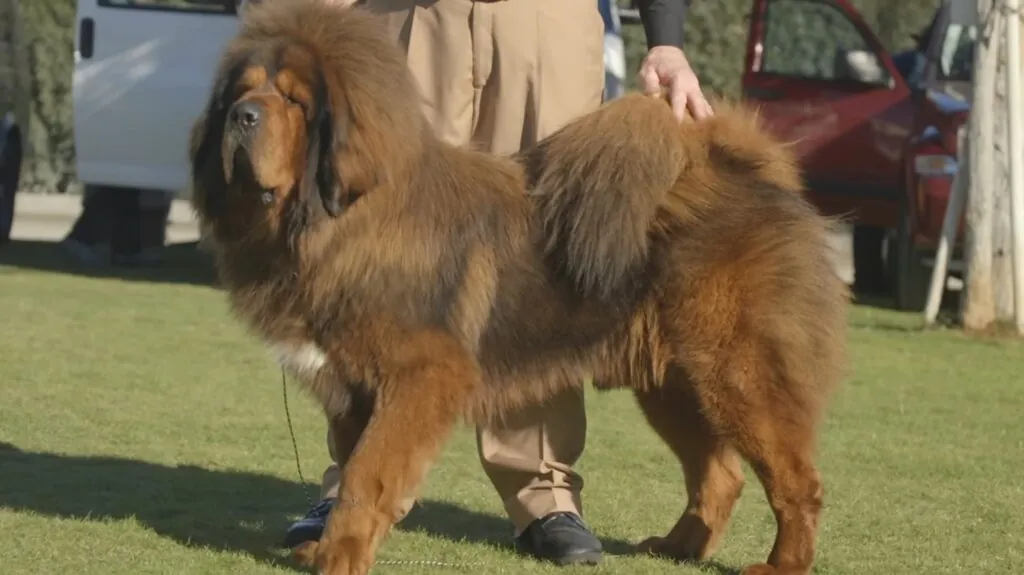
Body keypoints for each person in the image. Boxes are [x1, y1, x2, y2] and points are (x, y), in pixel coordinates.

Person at [278, 0, 711, 566]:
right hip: (401, 21)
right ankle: (354, 490)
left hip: (545, 26)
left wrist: (667, 40)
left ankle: (545, 494)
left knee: (546, 263)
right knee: (374, 258)